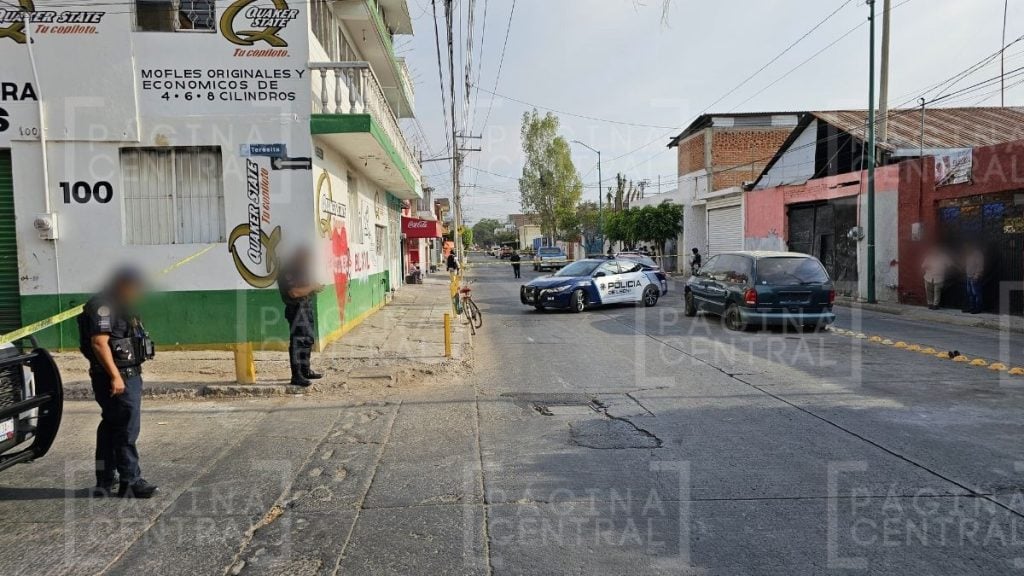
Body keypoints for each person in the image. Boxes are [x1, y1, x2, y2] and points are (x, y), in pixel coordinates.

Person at [77, 267, 158, 499]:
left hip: (126, 373)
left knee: (111, 427)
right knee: (126, 429)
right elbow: (99, 343)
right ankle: (130, 482)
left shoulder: (119, 304)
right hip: (117, 377)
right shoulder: (103, 305)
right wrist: (115, 376)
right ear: (123, 284)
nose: (138, 293)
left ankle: (105, 480)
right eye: (135, 288)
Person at [278, 246, 324, 387]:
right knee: (298, 342)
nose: (308, 262)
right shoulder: (288, 271)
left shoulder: (300, 270)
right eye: (306, 259)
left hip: (306, 308)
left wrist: (314, 288)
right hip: (296, 310)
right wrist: (312, 287)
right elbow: (294, 293)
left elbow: (305, 288)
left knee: (307, 340)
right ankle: (296, 376)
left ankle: (305, 370)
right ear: (299, 257)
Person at [921, 245, 954, 310]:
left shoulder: (944, 257)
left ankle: (936, 305)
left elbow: (951, 265)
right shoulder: (929, 257)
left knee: (937, 291)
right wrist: (926, 266)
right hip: (928, 277)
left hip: (939, 277)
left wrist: (946, 270)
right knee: (928, 291)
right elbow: (922, 266)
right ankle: (930, 303)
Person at [964, 245, 985, 314]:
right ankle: (972, 307)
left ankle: (978, 308)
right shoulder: (969, 254)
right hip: (969, 276)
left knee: (977, 294)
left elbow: (980, 266)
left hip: (974, 277)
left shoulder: (978, 254)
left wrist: (977, 275)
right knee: (970, 293)